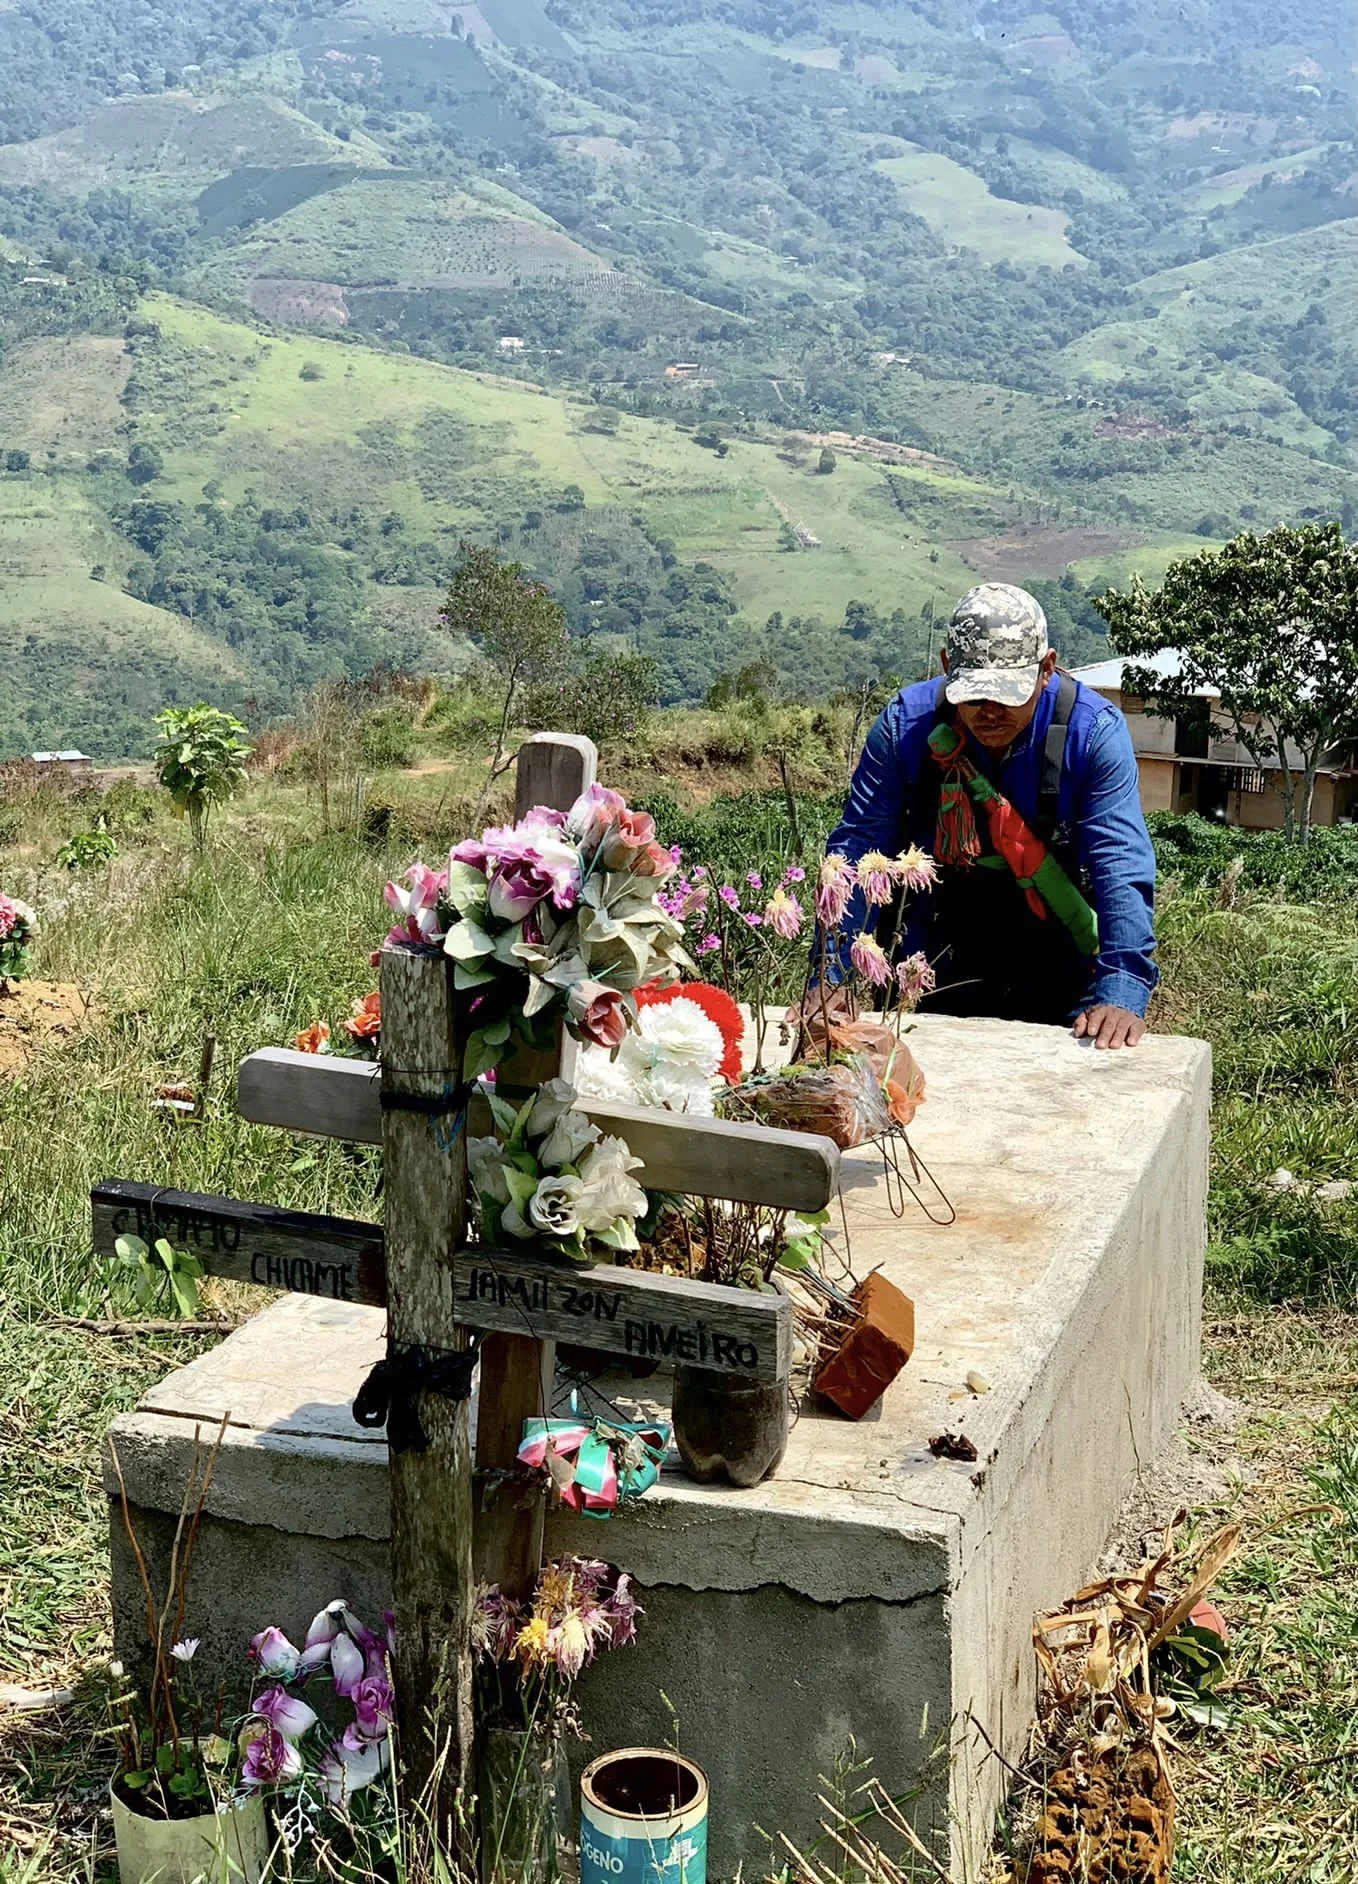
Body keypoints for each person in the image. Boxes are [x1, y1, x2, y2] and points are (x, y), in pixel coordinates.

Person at [823, 582, 1157, 1049]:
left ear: (1046, 669)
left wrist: (1123, 987)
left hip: (1057, 963)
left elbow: (1120, 863)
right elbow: (858, 847)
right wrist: (830, 974)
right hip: (930, 961)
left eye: (1007, 694)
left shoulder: (1092, 733)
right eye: (975, 695)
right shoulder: (907, 726)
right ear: (946, 668)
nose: (990, 712)